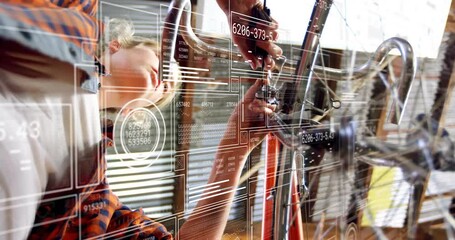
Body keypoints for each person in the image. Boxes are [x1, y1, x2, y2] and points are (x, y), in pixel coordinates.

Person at [0, 0, 282, 239]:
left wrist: (235, 146)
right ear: (116, 44)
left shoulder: (90, 184)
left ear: (133, 112)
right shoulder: (74, 13)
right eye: (163, 56)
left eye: (166, 89)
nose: (167, 76)